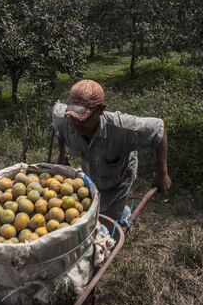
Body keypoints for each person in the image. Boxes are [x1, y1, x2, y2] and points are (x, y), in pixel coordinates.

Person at [52, 79, 172, 221]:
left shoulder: (122, 128)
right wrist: (62, 153)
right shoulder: (64, 118)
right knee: (91, 207)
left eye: (83, 119)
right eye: (73, 118)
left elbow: (159, 128)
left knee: (108, 216)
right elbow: (58, 127)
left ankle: (121, 215)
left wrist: (162, 173)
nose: (77, 124)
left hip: (119, 175)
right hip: (91, 167)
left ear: (101, 110)